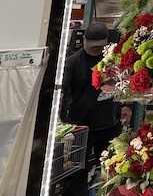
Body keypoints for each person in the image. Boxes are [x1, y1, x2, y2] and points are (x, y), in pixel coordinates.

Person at [60, 22, 121, 196]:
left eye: (99, 46)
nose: (96, 49)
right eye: (92, 45)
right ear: (84, 39)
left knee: (112, 169)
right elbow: (61, 91)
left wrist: (126, 107)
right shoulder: (72, 62)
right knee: (75, 172)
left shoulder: (110, 59)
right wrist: (57, 117)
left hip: (109, 123)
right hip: (80, 126)